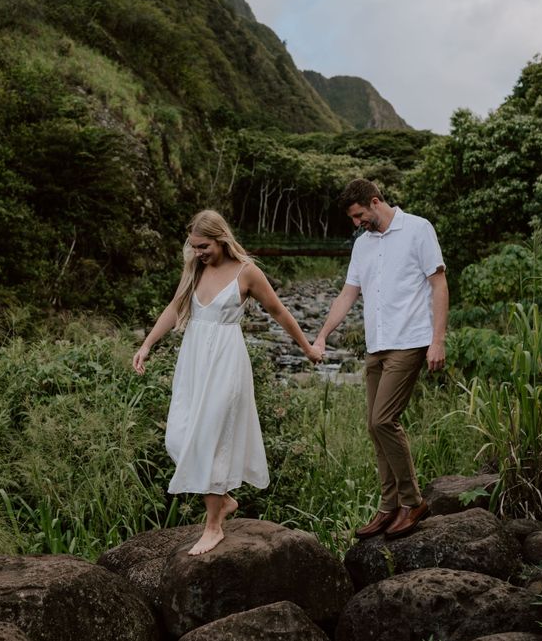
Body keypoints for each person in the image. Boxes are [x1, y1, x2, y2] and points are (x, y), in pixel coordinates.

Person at [133, 209, 321, 555]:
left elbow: (278, 311)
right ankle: (225, 500)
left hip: (226, 362)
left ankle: (213, 526)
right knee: (178, 437)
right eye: (194, 246)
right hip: (193, 364)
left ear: (220, 239)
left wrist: (307, 348)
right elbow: (174, 308)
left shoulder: (246, 272)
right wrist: (147, 345)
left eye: (203, 246)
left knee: (211, 437)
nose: (198, 252)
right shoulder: (195, 269)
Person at [313, 178, 448, 540]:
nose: (357, 223)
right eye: (353, 219)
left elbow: (438, 284)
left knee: (384, 419)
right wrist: (323, 334)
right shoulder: (363, 245)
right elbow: (347, 294)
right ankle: (389, 507)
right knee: (375, 427)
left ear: (375, 202)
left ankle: (412, 502)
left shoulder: (418, 229)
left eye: (359, 215)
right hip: (377, 344)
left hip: (410, 340)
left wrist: (438, 341)